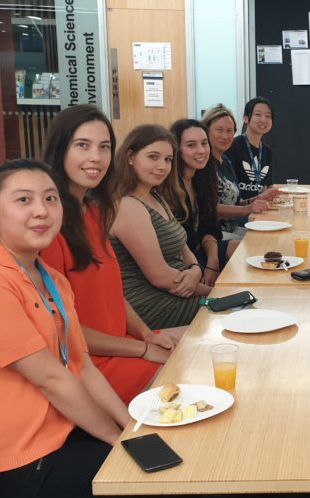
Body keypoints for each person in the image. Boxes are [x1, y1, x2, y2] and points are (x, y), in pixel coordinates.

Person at [0, 159, 129, 498]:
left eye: (50, 199)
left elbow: (81, 366)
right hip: (20, 458)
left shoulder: (49, 277)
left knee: (172, 458)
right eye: (23, 200)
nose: (41, 211)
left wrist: (128, 428)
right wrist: (118, 441)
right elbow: (51, 378)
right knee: (158, 481)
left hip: (63, 428)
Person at [39, 105, 186, 404]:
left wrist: (146, 335)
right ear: (59, 150)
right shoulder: (46, 226)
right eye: (83, 145)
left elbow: (112, 293)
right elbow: (63, 330)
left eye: (104, 147)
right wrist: (142, 349)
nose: (96, 157)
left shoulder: (94, 211)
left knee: (208, 340)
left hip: (122, 345)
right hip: (92, 365)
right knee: (193, 374)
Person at [109, 124, 208, 329]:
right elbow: (160, 277)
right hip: (151, 305)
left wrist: (196, 270)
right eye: (153, 157)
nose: (162, 166)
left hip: (178, 291)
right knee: (233, 311)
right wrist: (212, 291)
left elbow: (184, 248)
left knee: (240, 305)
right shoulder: (127, 205)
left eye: (168, 159)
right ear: (130, 157)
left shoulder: (156, 196)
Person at [170, 118, 235, 284]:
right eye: (191, 145)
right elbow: (179, 246)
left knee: (241, 249)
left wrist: (213, 261)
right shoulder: (169, 187)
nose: (201, 150)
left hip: (202, 252)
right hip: (182, 264)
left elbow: (210, 226)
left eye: (204, 143)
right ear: (177, 150)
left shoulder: (202, 177)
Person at [200, 104, 277, 239]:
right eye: (219, 130)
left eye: (230, 131)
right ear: (206, 131)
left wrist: (257, 199)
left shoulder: (225, 161)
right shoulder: (203, 163)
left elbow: (234, 203)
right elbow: (208, 209)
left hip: (233, 228)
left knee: (271, 237)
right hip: (213, 235)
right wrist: (246, 209)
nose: (225, 136)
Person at [225, 97, 276, 202]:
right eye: (258, 114)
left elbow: (266, 186)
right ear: (246, 118)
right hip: (237, 210)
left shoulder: (267, 151)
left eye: (268, 116)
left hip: (258, 209)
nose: (263, 120)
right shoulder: (232, 146)